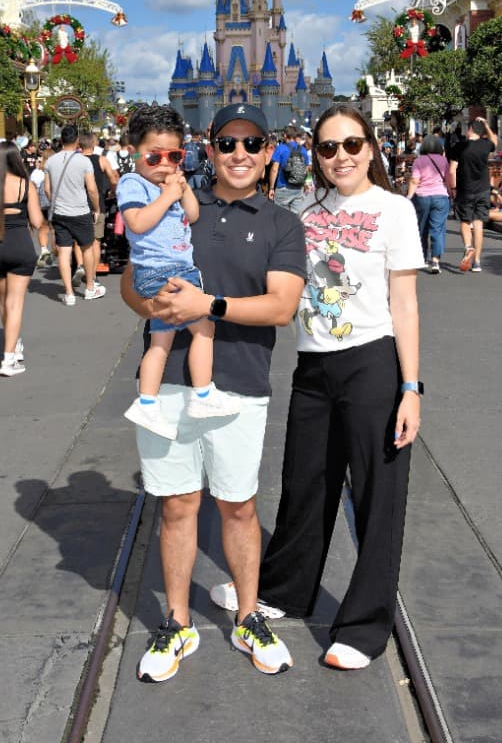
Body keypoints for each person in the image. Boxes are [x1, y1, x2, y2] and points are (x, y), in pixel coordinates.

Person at [210, 102, 424, 670]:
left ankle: (364, 624)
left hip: (372, 363)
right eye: (327, 148)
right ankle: (285, 589)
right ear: (315, 155)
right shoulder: (301, 208)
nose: (340, 157)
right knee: (305, 484)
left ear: (371, 148)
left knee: (378, 495)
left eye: (352, 145)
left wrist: (411, 387)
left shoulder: (395, 210)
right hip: (313, 365)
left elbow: (404, 304)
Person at [120, 101, 306, 683]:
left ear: (268, 151)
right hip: (173, 380)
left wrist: (209, 305)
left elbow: (282, 307)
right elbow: (131, 277)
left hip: (242, 383)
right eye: (228, 143)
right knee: (177, 506)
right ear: (209, 148)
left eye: (252, 144)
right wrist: (150, 306)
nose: (240, 155)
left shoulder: (281, 224)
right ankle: (177, 623)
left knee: (239, 505)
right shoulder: (176, 204)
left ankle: (249, 615)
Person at [117, 105, 221, 440]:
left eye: (173, 156)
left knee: (160, 342)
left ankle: (147, 402)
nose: (164, 164)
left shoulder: (172, 185)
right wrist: (167, 195)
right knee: (204, 328)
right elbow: (136, 222)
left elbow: (192, 216)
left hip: (175, 270)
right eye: (154, 157)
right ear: (135, 152)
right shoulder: (133, 183)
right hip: (163, 272)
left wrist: (183, 189)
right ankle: (203, 395)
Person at [0, 142, 44, 376]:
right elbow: (36, 221)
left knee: (4, 301)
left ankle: (14, 343)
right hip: (19, 246)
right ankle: (9, 358)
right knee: (15, 302)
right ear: (17, 159)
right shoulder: (26, 185)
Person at [43, 125, 106, 305]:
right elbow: (92, 190)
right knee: (87, 247)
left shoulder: (51, 162)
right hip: (80, 211)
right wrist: (96, 209)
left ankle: (69, 294)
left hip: (59, 212)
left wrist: (57, 201)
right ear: (77, 140)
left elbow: (47, 189)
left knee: (64, 252)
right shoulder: (84, 162)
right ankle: (90, 287)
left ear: (61, 140)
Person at [449, 116, 497, 273]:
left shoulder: (460, 146)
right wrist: (486, 125)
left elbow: (451, 170)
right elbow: (494, 141)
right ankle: (477, 261)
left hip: (465, 189)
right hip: (483, 189)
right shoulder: (485, 145)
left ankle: (468, 247)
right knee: (478, 224)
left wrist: (453, 188)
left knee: (465, 221)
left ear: (469, 130)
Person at [407, 133, 451, 273]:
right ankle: (436, 261)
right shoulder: (444, 161)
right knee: (437, 229)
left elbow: (415, 181)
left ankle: (422, 258)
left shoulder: (419, 161)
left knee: (422, 227)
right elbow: (448, 179)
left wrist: (409, 196)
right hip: (440, 196)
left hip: (422, 197)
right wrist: (451, 192)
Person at [78, 131, 118, 276]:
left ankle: (80, 266)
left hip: (77, 205)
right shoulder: (102, 160)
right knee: (95, 241)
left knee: (79, 240)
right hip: (97, 204)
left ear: (79, 145)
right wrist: (113, 191)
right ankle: (92, 275)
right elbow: (113, 179)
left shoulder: (75, 161)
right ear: (94, 144)